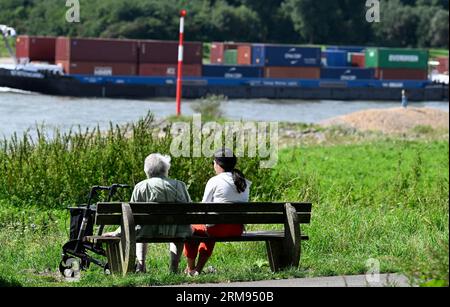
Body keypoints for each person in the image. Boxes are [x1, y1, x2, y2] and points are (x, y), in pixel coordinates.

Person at [104, 153, 192, 273]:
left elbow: (131, 216)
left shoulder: (140, 187)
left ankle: (141, 266)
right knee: (178, 226)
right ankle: (174, 267)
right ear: (166, 169)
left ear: (147, 171)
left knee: (141, 224)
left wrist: (117, 232)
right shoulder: (179, 185)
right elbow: (188, 210)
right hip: (176, 231)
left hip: (146, 232)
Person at [183, 148, 251, 276]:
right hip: (237, 230)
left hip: (217, 229)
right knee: (209, 226)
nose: (213, 166)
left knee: (192, 228)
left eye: (213, 162)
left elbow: (204, 208)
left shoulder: (214, 181)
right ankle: (197, 269)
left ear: (218, 164)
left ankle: (191, 269)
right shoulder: (244, 182)